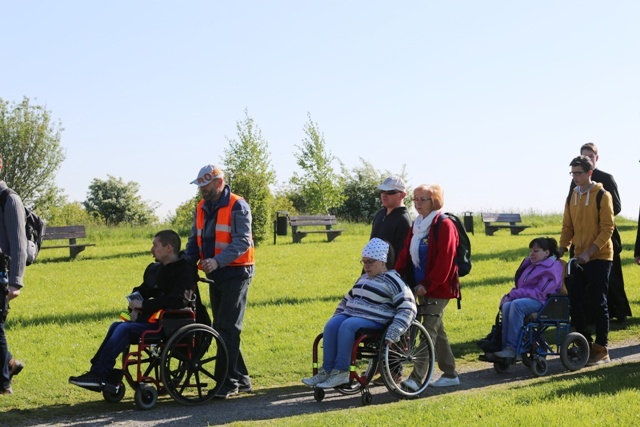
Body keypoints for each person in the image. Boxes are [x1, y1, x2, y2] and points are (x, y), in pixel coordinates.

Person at [69, 230, 198, 390]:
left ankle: (100, 373)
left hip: (174, 325)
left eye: (155, 245)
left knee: (123, 329)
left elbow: (179, 300)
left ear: (168, 248)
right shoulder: (158, 269)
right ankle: (101, 373)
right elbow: (144, 290)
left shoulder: (185, 270)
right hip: (157, 322)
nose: (152, 249)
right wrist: (134, 304)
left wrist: (144, 306)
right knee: (116, 326)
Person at [301, 238, 416, 388]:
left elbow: (408, 307)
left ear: (383, 261)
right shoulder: (364, 279)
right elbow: (346, 300)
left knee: (348, 325)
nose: (366, 266)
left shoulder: (393, 280)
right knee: (331, 325)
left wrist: (395, 330)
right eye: (364, 262)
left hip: (375, 319)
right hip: (353, 314)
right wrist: (338, 315)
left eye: (370, 262)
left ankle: (341, 372)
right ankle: (327, 371)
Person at [184, 164, 255, 399]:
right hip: (215, 273)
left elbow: (242, 241)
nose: (202, 190)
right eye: (200, 186)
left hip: (236, 272)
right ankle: (241, 378)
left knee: (227, 328)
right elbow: (195, 238)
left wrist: (217, 261)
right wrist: (185, 262)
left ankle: (228, 382)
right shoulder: (201, 207)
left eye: (205, 185)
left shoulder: (238, 205)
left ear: (219, 182)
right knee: (222, 326)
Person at [395, 184, 460, 389]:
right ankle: (450, 374)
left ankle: (416, 379)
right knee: (437, 330)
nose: (417, 203)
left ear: (435, 201)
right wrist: (396, 276)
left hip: (439, 288)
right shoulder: (418, 224)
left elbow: (445, 261)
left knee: (427, 330)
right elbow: (406, 253)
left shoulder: (445, 224)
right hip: (420, 287)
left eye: (423, 199)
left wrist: (428, 284)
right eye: (415, 199)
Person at [559, 155, 614, 366]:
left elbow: (607, 228)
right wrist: (562, 248)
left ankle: (602, 348)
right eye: (572, 173)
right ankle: (584, 343)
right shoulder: (572, 196)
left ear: (589, 173)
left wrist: (590, 252)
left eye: (578, 173)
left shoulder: (602, 195)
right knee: (574, 300)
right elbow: (567, 227)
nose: (575, 177)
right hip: (578, 257)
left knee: (599, 302)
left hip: (600, 256)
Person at [568, 142, 631, 323]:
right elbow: (571, 205)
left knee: (613, 279)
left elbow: (616, 206)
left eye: (590, 156)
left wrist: (596, 216)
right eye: (584, 156)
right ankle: (587, 316)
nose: (588, 159)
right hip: (581, 237)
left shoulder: (606, 179)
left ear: (596, 158)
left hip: (605, 237)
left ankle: (619, 312)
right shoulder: (575, 182)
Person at [490, 238, 564, 359]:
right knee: (507, 305)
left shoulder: (551, 268)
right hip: (530, 299)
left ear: (547, 252)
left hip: (545, 302)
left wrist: (514, 294)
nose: (532, 254)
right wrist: (511, 296)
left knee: (516, 306)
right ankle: (505, 348)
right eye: (531, 251)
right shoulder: (533, 265)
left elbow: (540, 294)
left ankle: (513, 349)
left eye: (536, 250)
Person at [0, 154, 27, 396]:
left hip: (2, 275)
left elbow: (19, 243)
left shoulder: (10, 199)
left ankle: (4, 383)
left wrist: (15, 282)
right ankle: (9, 363)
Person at [370, 176, 412, 258]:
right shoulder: (380, 214)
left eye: (390, 192)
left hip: (389, 270)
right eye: (382, 191)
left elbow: (402, 255)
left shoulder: (403, 220)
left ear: (402, 195)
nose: (384, 195)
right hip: (372, 268)